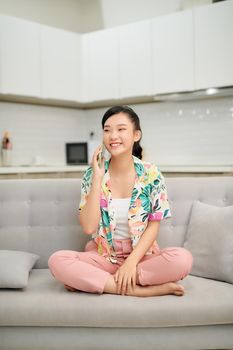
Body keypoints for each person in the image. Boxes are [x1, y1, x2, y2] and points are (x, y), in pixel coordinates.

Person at [48, 105, 193, 297]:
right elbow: (89, 228)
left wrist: (131, 263)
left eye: (121, 129)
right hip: (104, 256)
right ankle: (139, 290)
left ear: (136, 135)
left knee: (182, 259)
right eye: (107, 130)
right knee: (58, 260)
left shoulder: (151, 173)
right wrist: (98, 179)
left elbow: (153, 226)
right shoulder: (92, 174)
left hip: (142, 257)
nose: (113, 135)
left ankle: (101, 282)